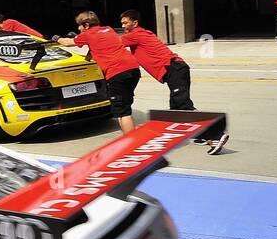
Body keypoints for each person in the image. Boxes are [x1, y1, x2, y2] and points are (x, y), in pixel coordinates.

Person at [118, 10, 229, 154]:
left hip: (173, 69)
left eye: (125, 22)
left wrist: (98, 35)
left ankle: (215, 135)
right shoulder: (143, 33)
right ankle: (201, 135)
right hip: (177, 68)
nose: (123, 25)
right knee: (175, 110)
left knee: (184, 106)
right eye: (122, 23)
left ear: (135, 23)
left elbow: (114, 43)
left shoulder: (135, 35)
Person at [55, 12, 140, 134]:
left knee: (123, 112)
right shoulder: (108, 29)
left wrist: (57, 38)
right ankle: (131, 138)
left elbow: (68, 42)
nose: (79, 28)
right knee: (125, 103)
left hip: (117, 73)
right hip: (133, 69)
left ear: (87, 25)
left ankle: (133, 143)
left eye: (80, 26)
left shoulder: (88, 34)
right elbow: (96, 48)